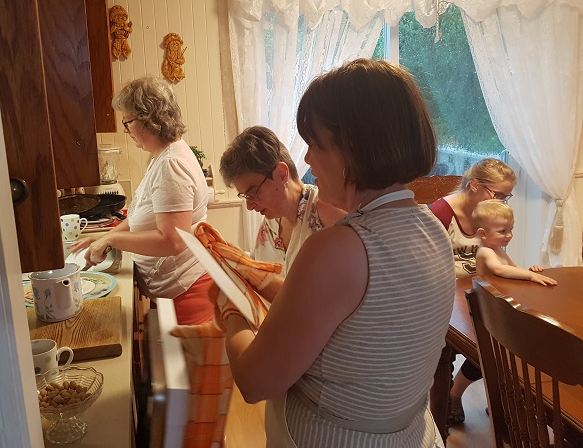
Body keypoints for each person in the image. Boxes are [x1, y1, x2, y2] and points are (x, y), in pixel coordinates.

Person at [215, 59, 455, 447]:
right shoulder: (432, 229)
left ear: (355, 148)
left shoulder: (338, 248)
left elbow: (255, 381)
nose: (307, 160)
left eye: (315, 144)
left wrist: (232, 311)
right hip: (413, 433)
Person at [68, 76, 213, 325]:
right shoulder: (162, 156)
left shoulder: (171, 165)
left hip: (187, 293)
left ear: (148, 119)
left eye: (127, 122)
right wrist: (105, 237)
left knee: (185, 353)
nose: (126, 131)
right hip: (174, 291)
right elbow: (139, 217)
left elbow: (172, 241)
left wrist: (112, 239)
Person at [429, 157, 516, 425]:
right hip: (445, 296)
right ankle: (451, 397)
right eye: (498, 194)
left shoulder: (490, 213)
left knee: (506, 339)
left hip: (479, 291)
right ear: (475, 185)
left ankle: (459, 392)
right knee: (488, 342)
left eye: (507, 197)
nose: (502, 202)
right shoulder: (440, 214)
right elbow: (426, 268)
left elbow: (498, 256)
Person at [219, 125, 345, 301]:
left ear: (281, 174)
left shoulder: (326, 213)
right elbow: (260, 270)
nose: (249, 206)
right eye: (245, 196)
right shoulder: (270, 224)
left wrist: (245, 269)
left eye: (253, 192)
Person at [474, 200, 557, 286]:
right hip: (486, 293)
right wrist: (530, 275)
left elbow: (513, 267)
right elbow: (499, 269)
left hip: (499, 290)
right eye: (503, 231)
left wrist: (531, 273)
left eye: (511, 230)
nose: (510, 235)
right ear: (483, 234)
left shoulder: (497, 248)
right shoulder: (485, 251)